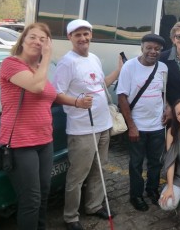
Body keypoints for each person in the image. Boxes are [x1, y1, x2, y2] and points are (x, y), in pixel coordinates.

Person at [52, 19, 122, 230]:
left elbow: (101, 86)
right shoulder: (67, 62)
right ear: (70, 38)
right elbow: (56, 94)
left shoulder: (93, 58)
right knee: (77, 175)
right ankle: (71, 216)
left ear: (91, 35)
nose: (83, 38)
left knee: (99, 169)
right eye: (77, 35)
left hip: (102, 124)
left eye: (86, 34)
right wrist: (77, 103)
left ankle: (93, 205)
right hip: (82, 128)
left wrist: (119, 70)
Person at [0, 22, 56, 230]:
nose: (37, 42)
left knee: (44, 193)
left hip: (44, 140)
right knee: (31, 199)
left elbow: (51, 96)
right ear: (22, 40)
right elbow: (37, 87)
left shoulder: (38, 68)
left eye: (43, 39)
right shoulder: (10, 64)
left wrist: (76, 102)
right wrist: (47, 56)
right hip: (21, 143)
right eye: (32, 37)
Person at [117, 33, 168, 212]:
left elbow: (164, 93)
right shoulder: (129, 67)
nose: (153, 52)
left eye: (157, 49)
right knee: (136, 163)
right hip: (137, 126)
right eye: (149, 48)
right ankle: (136, 195)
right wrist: (131, 126)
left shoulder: (163, 67)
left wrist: (168, 107)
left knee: (156, 162)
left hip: (157, 126)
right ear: (142, 47)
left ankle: (153, 190)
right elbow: (122, 97)